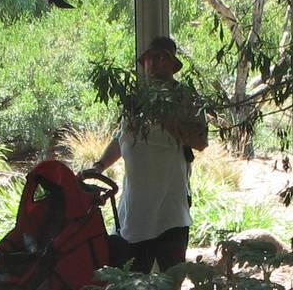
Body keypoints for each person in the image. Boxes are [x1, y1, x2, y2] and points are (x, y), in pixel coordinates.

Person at [85, 35, 208, 272]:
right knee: (130, 282)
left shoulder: (186, 97)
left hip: (170, 208)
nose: (155, 63)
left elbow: (200, 141)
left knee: (170, 280)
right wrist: (99, 166)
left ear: (173, 65)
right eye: (150, 58)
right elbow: (123, 138)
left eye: (162, 57)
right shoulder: (135, 98)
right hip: (134, 208)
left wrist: (167, 119)